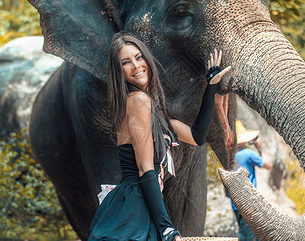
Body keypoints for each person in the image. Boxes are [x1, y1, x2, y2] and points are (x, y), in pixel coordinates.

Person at [88, 31, 231, 241]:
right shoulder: (137, 101)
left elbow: (196, 136)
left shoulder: (156, 113)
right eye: (126, 62)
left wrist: (210, 87)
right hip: (134, 206)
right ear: (119, 71)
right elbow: (145, 168)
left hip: (140, 202)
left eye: (139, 57)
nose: (136, 66)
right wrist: (167, 228)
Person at [231, 120, 272, 241]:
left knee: (244, 234)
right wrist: (260, 148)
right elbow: (268, 165)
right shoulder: (248, 154)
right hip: (249, 203)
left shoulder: (229, 155)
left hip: (235, 204)